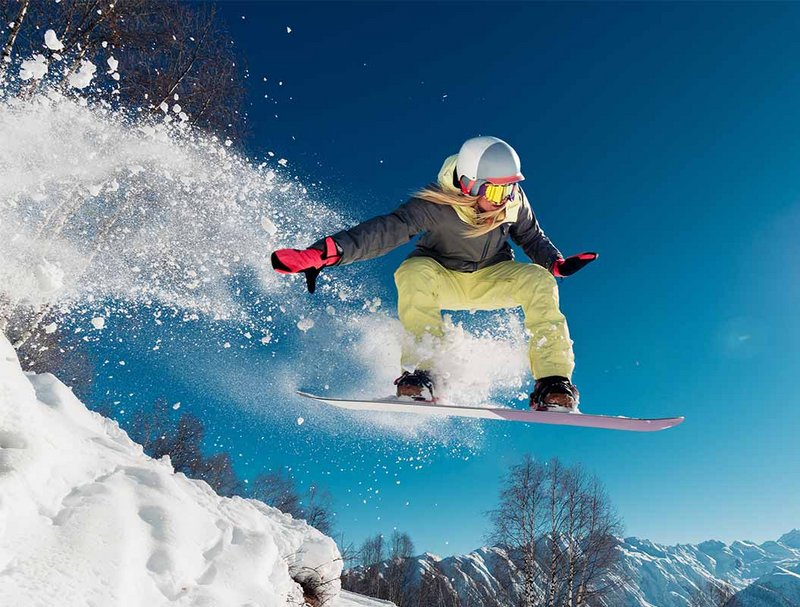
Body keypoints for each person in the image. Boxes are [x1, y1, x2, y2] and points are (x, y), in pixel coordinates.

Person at [271, 136, 597, 411]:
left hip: (492, 277)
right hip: (443, 278)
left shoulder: (513, 203)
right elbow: (388, 229)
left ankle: (552, 382)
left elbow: (531, 237)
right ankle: (424, 374)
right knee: (412, 271)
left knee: (539, 280)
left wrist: (555, 263)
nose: (505, 199)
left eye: (510, 188)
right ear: (469, 185)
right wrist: (325, 252)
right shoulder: (436, 203)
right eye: (497, 192)